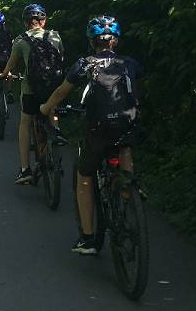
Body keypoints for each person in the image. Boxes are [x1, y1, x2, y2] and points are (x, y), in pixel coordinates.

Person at [41, 15, 141, 254]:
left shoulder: (85, 64)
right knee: (125, 147)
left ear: (91, 40)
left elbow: (62, 92)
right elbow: (137, 93)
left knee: (84, 175)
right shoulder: (130, 63)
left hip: (99, 128)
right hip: (127, 123)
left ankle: (87, 239)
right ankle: (128, 194)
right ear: (116, 40)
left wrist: (46, 108)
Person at [0, 3, 64, 184]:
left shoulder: (20, 40)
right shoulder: (55, 36)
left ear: (25, 22)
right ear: (44, 21)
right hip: (53, 87)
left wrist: (5, 74)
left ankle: (25, 169)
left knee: (25, 123)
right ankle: (56, 133)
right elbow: (61, 59)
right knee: (51, 110)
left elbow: (11, 64)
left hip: (30, 88)